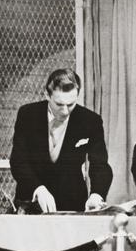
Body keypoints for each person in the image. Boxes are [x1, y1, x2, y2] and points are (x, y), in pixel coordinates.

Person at [9, 68, 113, 213]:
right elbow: (18, 161)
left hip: (73, 205)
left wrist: (96, 195)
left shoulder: (90, 121)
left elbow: (100, 165)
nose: (65, 111)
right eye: (59, 104)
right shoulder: (27, 115)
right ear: (47, 95)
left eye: (70, 104)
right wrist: (38, 189)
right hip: (30, 204)